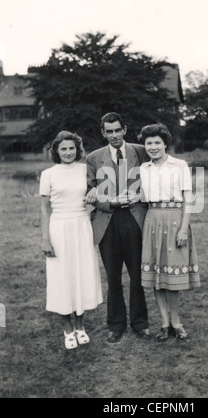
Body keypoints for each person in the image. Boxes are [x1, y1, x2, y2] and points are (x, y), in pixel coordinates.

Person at [85, 112, 150, 343]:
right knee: (113, 276)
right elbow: (88, 193)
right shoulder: (93, 158)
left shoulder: (141, 151)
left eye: (117, 130)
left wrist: (139, 195)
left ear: (125, 129)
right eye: (109, 131)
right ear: (103, 133)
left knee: (137, 274)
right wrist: (111, 201)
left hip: (135, 218)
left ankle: (140, 323)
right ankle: (115, 324)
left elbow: (155, 179)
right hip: (107, 221)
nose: (114, 135)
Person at [40, 131, 103, 350]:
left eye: (72, 148)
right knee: (62, 277)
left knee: (81, 274)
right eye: (63, 148)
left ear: (78, 149)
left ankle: (80, 327)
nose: (68, 152)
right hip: (59, 227)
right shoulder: (48, 174)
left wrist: (94, 192)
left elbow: (101, 193)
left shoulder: (86, 170)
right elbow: (44, 209)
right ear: (56, 151)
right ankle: (67, 329)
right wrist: (45, 239)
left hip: (81, 225)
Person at [138, 123, 200, 341]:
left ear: (165, 143)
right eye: (149, 143)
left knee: (172, 276)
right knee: (157, 275)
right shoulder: (143, 169)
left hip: (175, 221)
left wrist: (183, 228)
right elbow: (138, 199)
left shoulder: (179, 165)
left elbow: (188, 199)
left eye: (157, 142)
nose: (153, 147)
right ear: (144, 145)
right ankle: (164, 324)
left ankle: (176, 322)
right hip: (152, 220)